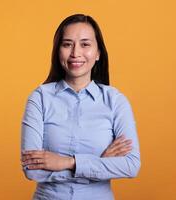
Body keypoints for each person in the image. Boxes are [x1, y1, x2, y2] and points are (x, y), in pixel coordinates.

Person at [21, 14, 141, 200]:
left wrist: (69, 162)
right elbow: (32, 170)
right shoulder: (40, 98)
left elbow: (131, 165)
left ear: (98, 52)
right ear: (57, 50)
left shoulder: (115, 101)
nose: (75, 53)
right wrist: (99, 164)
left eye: (85, 44)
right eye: (67, 44)